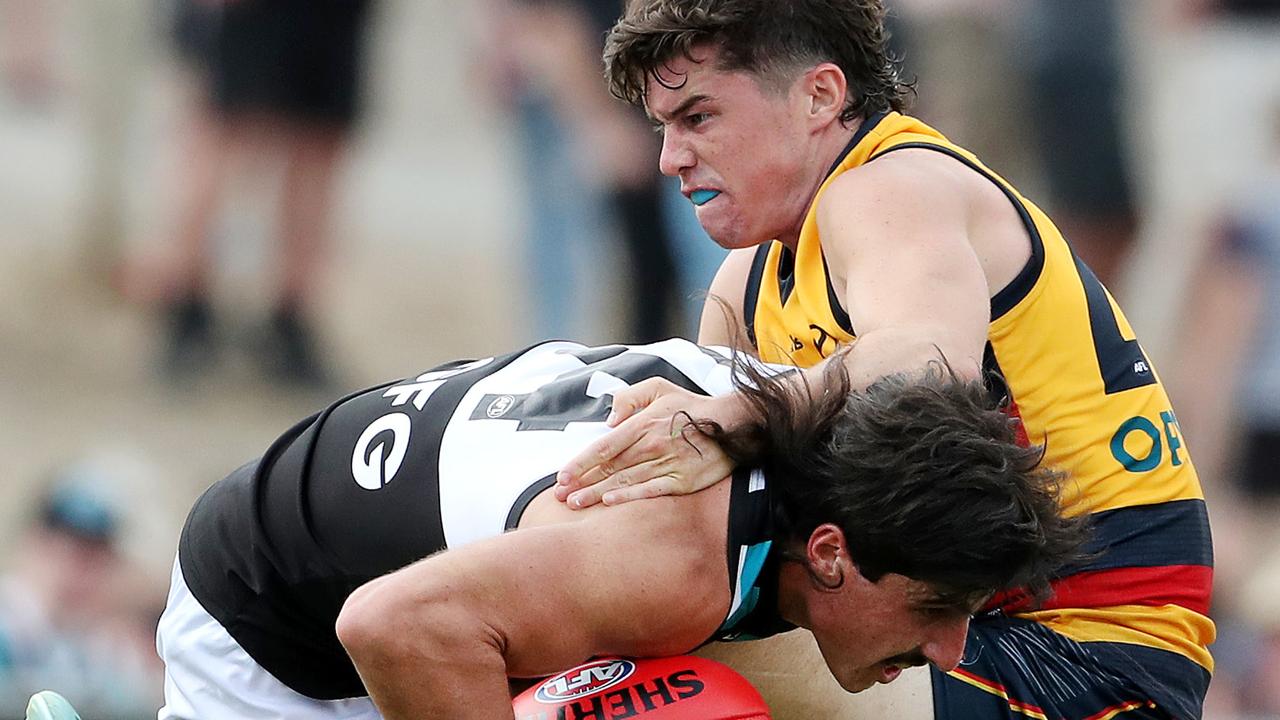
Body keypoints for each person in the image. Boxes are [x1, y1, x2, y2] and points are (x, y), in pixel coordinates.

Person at [552, 2, 1215, 718]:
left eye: (698, 117)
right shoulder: (746, 278)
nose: (669, 159)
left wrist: (729, 418)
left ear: (820, 95)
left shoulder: (893, 187)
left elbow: (929, 370)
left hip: (1092, 657)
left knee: (617, 646)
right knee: (601, 625)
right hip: (948, 623)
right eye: (662, 127)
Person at [133, 338, 1069, 719]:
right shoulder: (674, 564)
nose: (953, 648)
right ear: (829, 553)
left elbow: (903, 352)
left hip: (352, 525)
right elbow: (391, 626)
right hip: (269, 623)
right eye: (939, 606)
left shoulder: (804, 415)